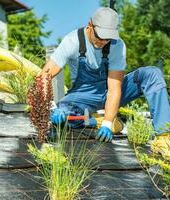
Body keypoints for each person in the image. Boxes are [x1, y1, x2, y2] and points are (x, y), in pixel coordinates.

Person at [39, 7, 170, 160]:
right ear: (90, 25)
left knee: (152, 74)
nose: (103, 42)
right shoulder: (72, 41)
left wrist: (108, 124)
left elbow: (114, 89)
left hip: (111, 91)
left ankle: (164, 137)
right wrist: (51, 107)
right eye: (99, 37)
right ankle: (95, 120)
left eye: (107, 39)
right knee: (62, 116)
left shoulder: (117, 45)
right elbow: (43, 76)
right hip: (83, 95)